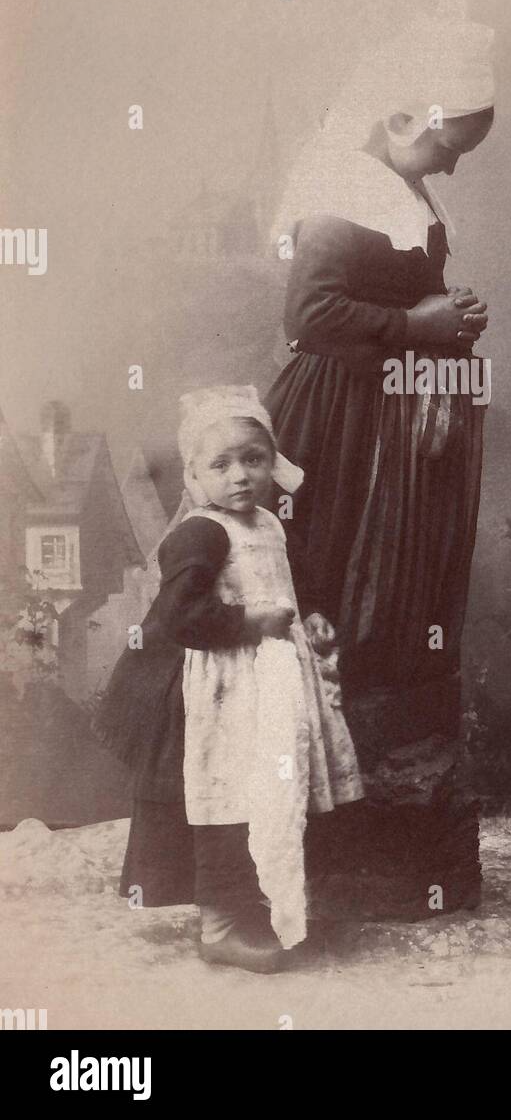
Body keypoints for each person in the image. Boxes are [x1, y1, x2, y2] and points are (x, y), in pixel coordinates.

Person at [267, 4, 494, 706]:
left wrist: (450, 316)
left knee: (392, 584)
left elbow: (398, 293)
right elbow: (308, 317)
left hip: (392, 414)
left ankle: (382, 742)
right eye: (446, 147)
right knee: (335, 569)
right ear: (400, 121)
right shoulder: (341, 189)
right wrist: (418, 326)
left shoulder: (400, 189)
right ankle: (323, 740)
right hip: (341, 417)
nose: (451, 167)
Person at [96, 385, 363, 973]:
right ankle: (219, 924)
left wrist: (313, 616)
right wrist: (249, 621)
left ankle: (262, 898)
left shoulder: (269, 523)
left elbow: (295, 585)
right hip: (214, 687)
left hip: (269, 683)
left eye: (254, 459)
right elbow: (179, 617)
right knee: (225, 800)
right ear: (193, 475)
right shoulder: (201, 533)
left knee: (269, 794)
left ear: (273, 462)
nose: (240, 476)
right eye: (220, 465)